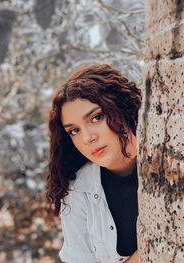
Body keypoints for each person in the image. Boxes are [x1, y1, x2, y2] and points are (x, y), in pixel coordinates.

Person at [45, 64, 141, 263]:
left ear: (121, 108)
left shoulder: (173, 158)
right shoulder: (77, 191)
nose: (87, 138)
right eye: (74, 131)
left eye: (96, 117)